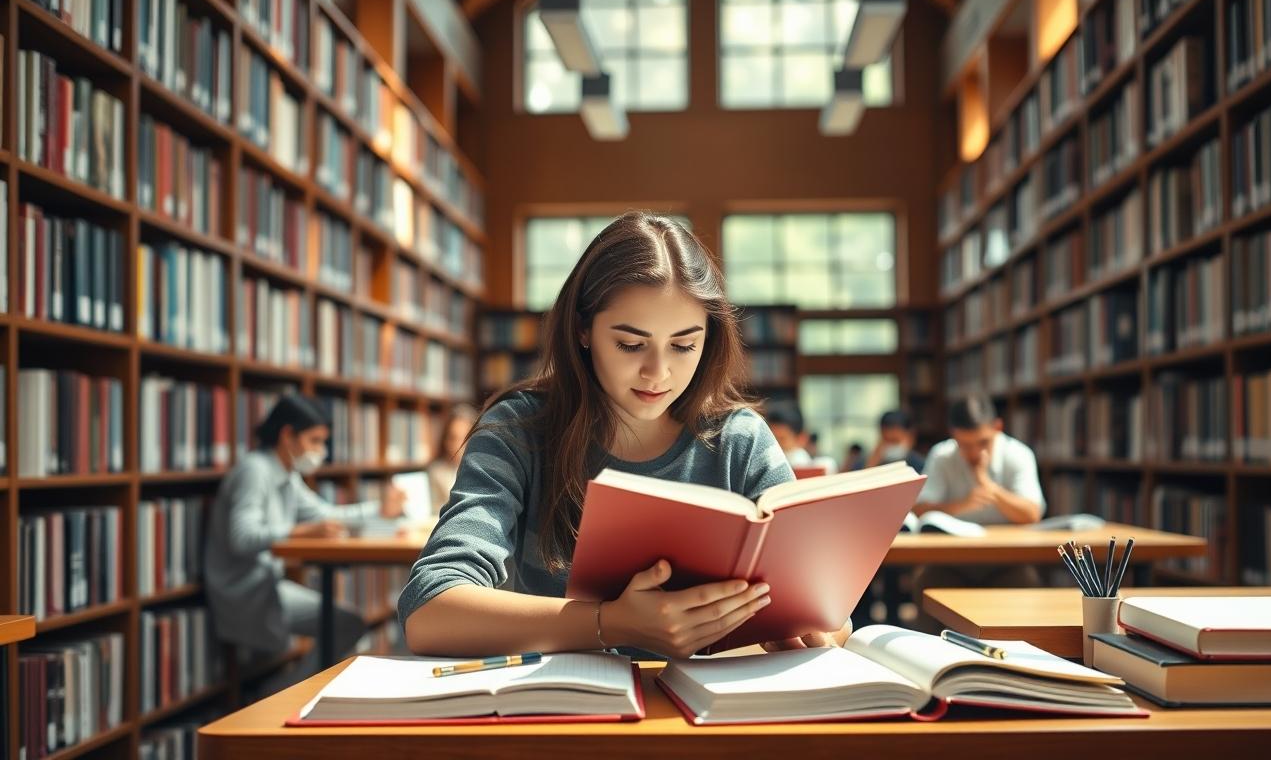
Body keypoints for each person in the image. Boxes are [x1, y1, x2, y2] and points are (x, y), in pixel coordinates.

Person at [399, 212, 851, 659]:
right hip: (568, 701)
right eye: (631, 345)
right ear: (583, 329)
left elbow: (827, 606)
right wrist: (610, 622)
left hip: (714, 701)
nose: (658, 372)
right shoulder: (518, 431)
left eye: (684, 345)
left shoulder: (740, 440)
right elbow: (429, 609)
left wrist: (820, 623)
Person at [204, 394, 407, 664]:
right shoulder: (254, 471)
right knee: (345, 625)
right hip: (244, 590)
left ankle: (295, 688)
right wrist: (299, 532)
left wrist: (379, 510)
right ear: (287, 435)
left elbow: (326, 514)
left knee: (347, 624)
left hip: (267, 583)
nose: (321, 451)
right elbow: (242, 537)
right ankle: (293, 690)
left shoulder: (288, 474)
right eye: (314, 441)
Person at [907, 394, 1046, 631]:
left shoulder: (1018, 454)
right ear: (953, 434)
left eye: (982, 443)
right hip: (951, 562)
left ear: (997, 427)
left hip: (1007, 562)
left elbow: (1032, 513)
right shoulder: (942, 455)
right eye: (964, 445)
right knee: (926, 583)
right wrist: (961, 505)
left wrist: (989, 487)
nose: (973, 452)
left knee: (1027, 584)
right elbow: (918, 509)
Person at [427, 403, 480, 507]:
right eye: (452, 438)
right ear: (445, 439)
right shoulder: (436, 472)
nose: (457, 446)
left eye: (464, 439)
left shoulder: (482, 471)